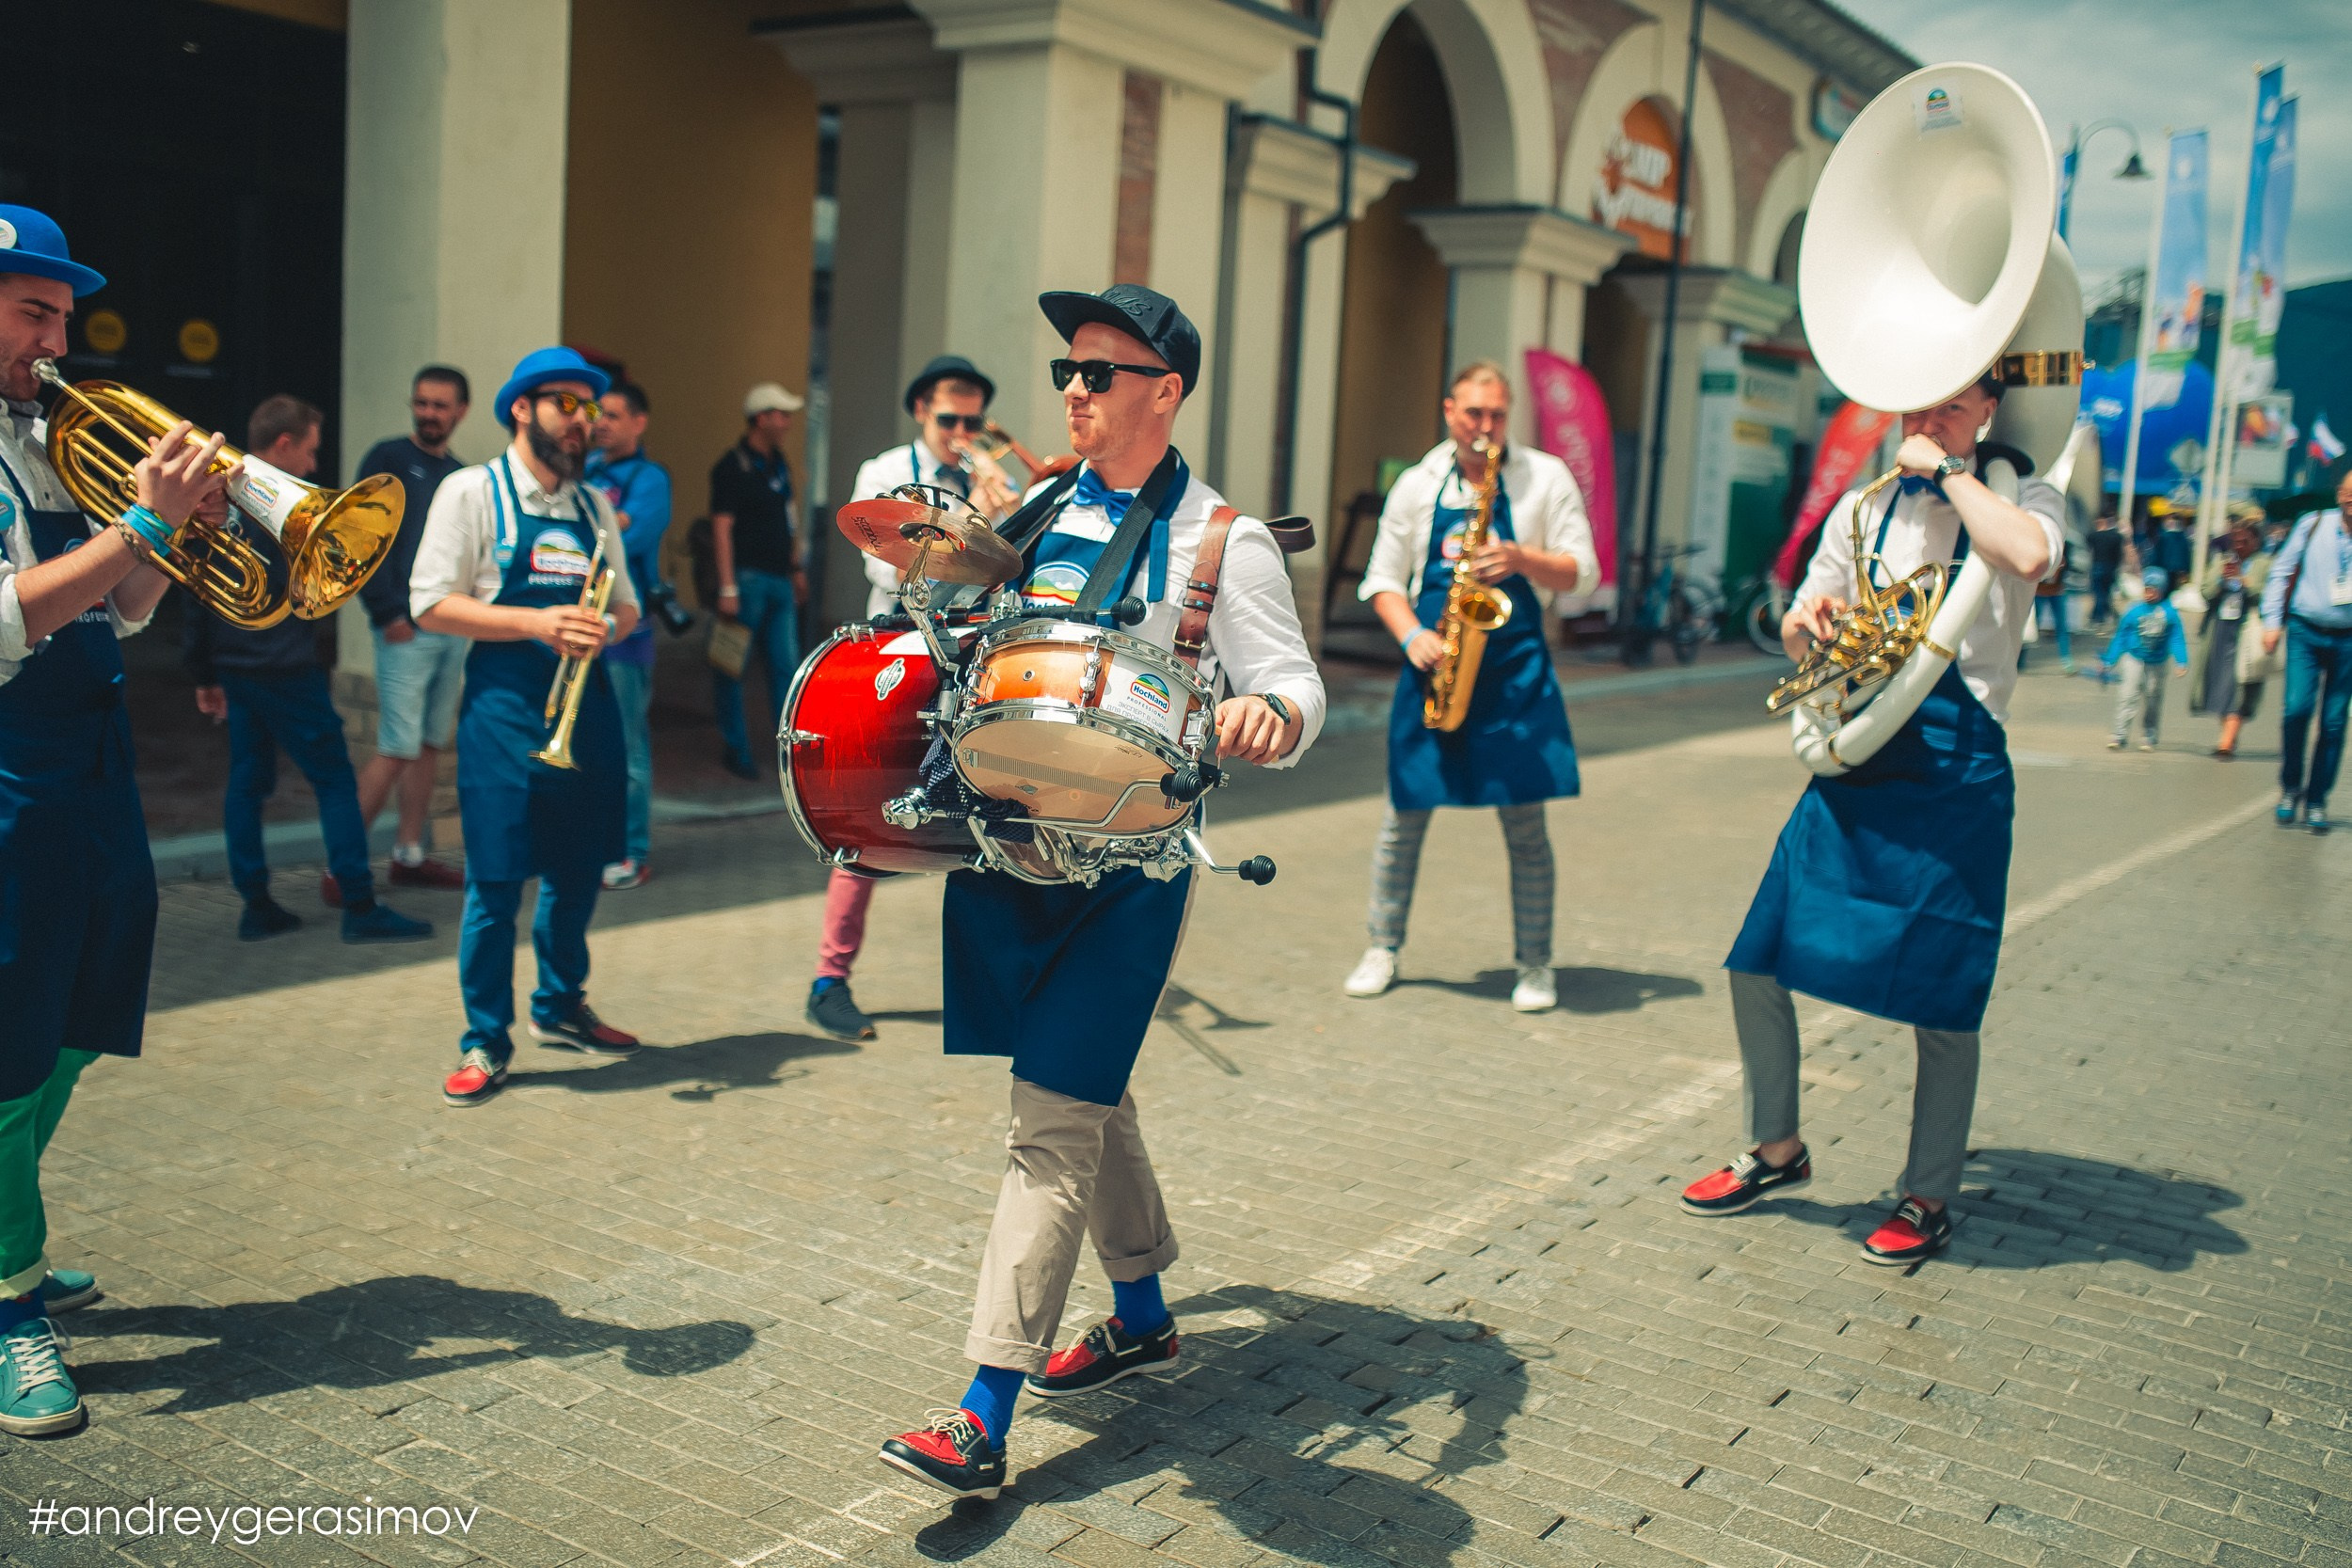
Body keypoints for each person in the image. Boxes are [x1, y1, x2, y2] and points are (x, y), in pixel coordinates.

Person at [875, 285, 1325, 1500]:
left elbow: (1298, 687)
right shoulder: (1034, 505)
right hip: (1011, 843)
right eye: (1068, 368)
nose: (1073, 388)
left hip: (1132, 865)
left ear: (1164, 392)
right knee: (1087, 1081)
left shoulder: (1222, 540)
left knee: (1049, 1127)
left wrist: (1266, 712)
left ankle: (981, 1408)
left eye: (1101, 372)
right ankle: (1140, 1312)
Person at [1679, 372, 2064, 1266]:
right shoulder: (1864, 506)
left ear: (1988, 415)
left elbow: (2029, 556)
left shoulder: (2022, 490)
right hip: (1864, 750)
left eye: (1956, 408)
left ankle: (1927, 1192)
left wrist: (1954, 473)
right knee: (1759, 954)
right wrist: (1805, 624)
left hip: (1957, 769)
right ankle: (1778, 1148)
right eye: (1923, 407)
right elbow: (1799, 625)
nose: (1932, 424)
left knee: (1946, 988)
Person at [0, 205, 228, 1433]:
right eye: (33, 311)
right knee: (4, 1033)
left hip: (87, 755)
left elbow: (118, 608)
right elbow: (4, 618)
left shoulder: (47, 441)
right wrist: (136, 524)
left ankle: (7, 1241)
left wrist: (171, 532)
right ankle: (5, 1299)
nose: (57, 339)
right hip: (2, 767)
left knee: (83, 1006)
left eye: (63, 316)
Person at [410, 347, 644, 1107]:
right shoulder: (470, 491)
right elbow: (429, 602)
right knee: (496, 882)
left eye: (590, 409)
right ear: (522, 408)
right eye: (566, 406)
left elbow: (631, 606)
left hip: (590, 707)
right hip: (505, 714)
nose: (583, 422)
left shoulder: (593, 506)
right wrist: (536, 621)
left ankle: (560, 1004)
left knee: (578, 872)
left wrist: (603, 625)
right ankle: (485, 1035)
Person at [1341, 361, 1595, 1014]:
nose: (1485, 428)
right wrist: (1410, 636)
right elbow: (1382, 579)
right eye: (1473, 413)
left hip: (1512, 671)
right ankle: (1382, 946)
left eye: (1497, 416)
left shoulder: (1544, 477)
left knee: (1526, 825)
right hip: (1435, 667)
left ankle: (1535, 963)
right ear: (1448, 409)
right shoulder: (1418, 484)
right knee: (1404, 816)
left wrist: (1520, 558)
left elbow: (1582, 573)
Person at [804, 356, 1017, 1044]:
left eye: (972, 420)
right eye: (949, 418)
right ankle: (829, 979)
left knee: (989, 808)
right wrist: (967, 528)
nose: (961, 431)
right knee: (873, 798)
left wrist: (1002, 510)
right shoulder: (884, 471)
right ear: (922, 411)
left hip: (969, 647)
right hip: (897, 643)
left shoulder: (982, 479)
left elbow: (1012, 566)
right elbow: (880, 560)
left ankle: (994, 981)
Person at [186, 396, 431, 944]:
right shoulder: (282, 503)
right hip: (286, 667)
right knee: (336, 781)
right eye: (311, 451)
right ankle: (360, 905)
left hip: (236, 664)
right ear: (283, 446)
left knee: (248, 783)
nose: (314, 467)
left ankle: (255, 904)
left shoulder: (212, 495)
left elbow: (193, 590)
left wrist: (204, 672)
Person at [347, 366, 472, 894]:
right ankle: (344, 866)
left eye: (440, 405)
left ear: (460, 411)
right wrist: (385, 613)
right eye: (421, 403)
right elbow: (355, 536)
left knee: (426, 745)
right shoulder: (387, 458)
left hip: (452, 626)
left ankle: (410, 853)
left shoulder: (464, 476)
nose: (428, 414)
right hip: (404, 629)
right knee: (397, 745)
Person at [583, 381, 671, 890]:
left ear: (639, 422)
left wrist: (604, 524)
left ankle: (631, 851)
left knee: (629, 747)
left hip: (627, 635)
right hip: (582, 628)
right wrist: (606, 521)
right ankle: (594, 843)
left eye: (614, 415)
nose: (601, 423)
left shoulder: (650, 479)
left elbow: (627, 537)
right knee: (590, 744)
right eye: (599, 415)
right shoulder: (587, 474)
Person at [708, 382, 805, 780]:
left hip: (779, 580)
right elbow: (721, 529)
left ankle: (790, 754)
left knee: (786, 668)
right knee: (732, 667)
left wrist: (797, 567)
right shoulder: (731, 466)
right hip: (745, 583)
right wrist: (727, 586)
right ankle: (737, 748)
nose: (786, 422)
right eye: (781, 415)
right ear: (761, 418)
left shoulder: (778, 462)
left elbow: (790, 517)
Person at [2261, 467, 2352, 834]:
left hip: (2348, 640)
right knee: (2296, 710)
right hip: (2305, 631)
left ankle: (2316, 800)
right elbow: (2281, 571)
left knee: (2332, 723)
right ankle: (2290, 787)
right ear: (2338, 495)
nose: (2351, 500)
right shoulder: (2312, 524)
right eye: (2348, 492)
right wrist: (2271, 622)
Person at [2189, 515, 2274, 758]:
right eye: (2235, 541)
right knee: (2220, 685)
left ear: (2256, 541)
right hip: (2220, 629)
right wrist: (2221, 580)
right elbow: (2205, 592)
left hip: (2247, 630)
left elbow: (2268, 595)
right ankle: (2228, 735)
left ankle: (2226, 741)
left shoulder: (2264, 564)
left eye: (2244, 541)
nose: (2238, 546)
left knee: (2241, 684)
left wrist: (2243, 581)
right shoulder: (2221, 562)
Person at [2103, 567, 2188, 752]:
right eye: (2146, 588)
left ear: (2161, 590)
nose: (2148, 592)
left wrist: (2181, 661)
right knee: (2127, 697)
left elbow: (2177, 638)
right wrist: (2110, 660)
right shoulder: (2133, 610)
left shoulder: (2170, 613)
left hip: (2157, 663)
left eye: (2153, 589)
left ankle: (2149, 735)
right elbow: (2121, 637)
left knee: (2152, 699)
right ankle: (2119, 735)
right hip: (2134, 659)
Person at [2087, 509, 2124, 626]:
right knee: (2106, 593)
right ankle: (2103, 615)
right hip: (2111, 567)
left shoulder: (2094, 536)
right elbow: (2119, 554)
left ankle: (2098, 617)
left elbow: (2088, 542)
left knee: (2098, 593)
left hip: (2097, 566)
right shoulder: (2116, 536)